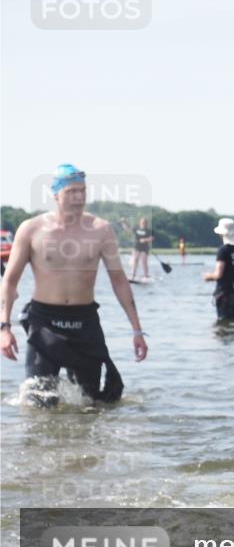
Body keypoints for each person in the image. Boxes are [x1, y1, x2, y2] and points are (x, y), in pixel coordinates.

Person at [0, 164, 148, 405]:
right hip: (44, 322)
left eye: (82, 190)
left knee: (91, 403)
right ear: (55, 194)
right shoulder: (31, 229)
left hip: (84, 322)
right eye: (71, 191)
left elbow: (119, 280)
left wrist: (137, 330)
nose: (79, 197)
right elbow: (9, 281)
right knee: (38, 401)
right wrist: (4, 328)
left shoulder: (101, 230)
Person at [204, 217, 234, 321]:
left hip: (225, 294)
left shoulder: (223, 250)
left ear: (222, 234)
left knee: (223, 323)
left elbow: (218, 274)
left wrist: (208, 276)